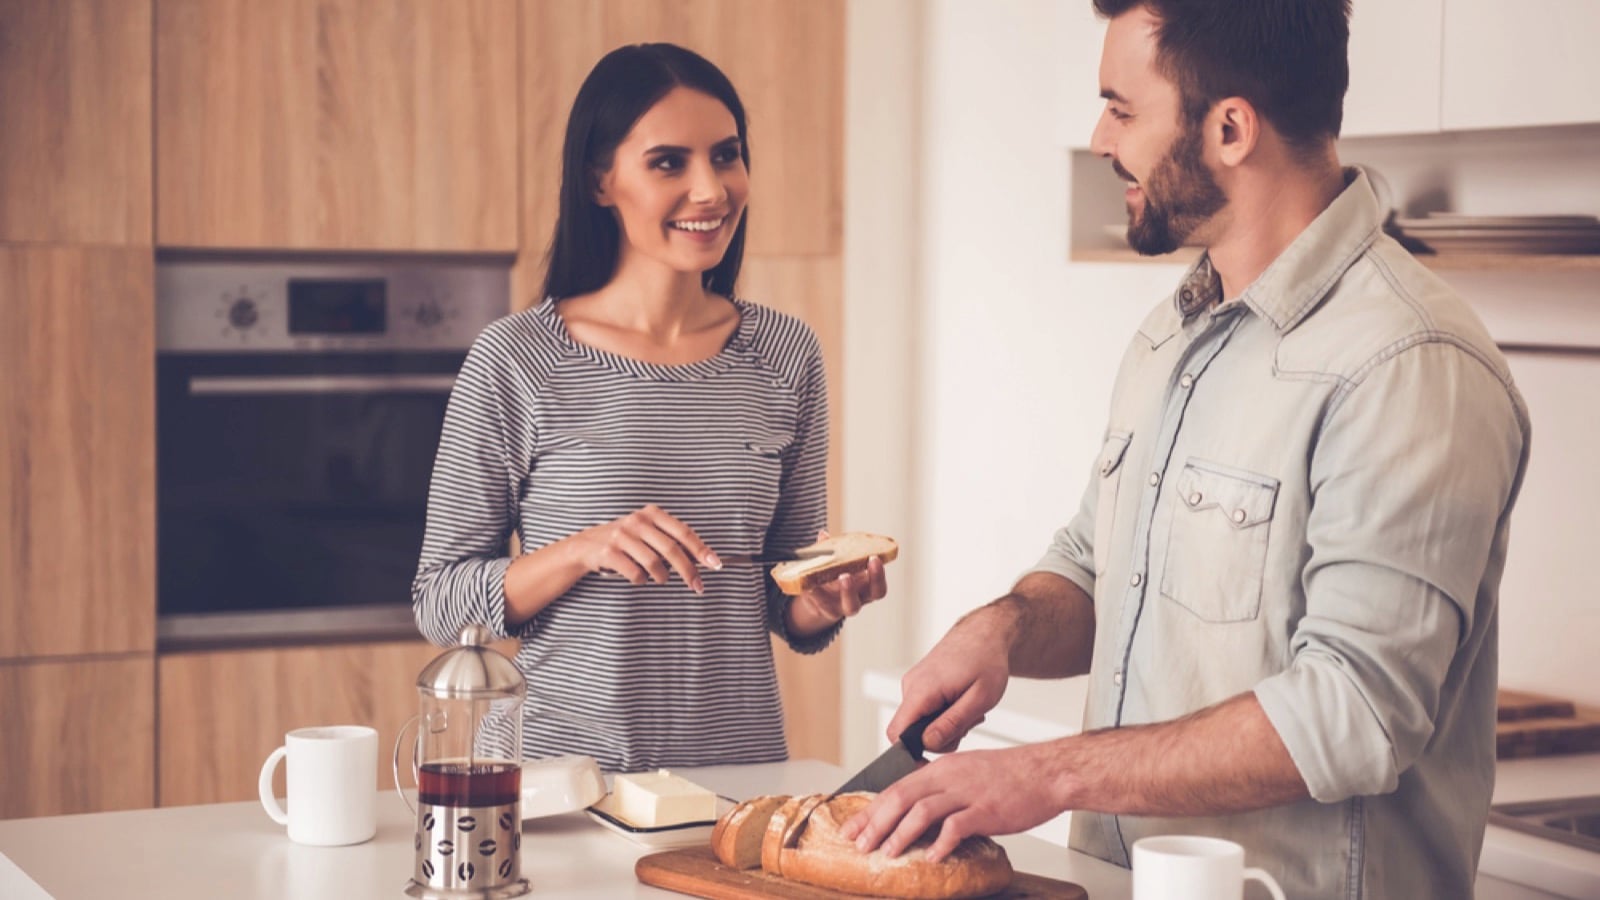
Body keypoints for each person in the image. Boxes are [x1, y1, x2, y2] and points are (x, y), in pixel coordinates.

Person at [843, 2, 1529, 897]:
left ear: (1230, 129)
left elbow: (1355, 711)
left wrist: (1047, 774)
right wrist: (1002, 630)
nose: (1100, 139)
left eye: (1122, 109)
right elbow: (1100, 569)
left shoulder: (1408, 364)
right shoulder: (1174, 334)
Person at [412, 43, 887, 772]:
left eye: (726, 156)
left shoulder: (786, 354)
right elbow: (440, 602)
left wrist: (819, 604)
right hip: (563, 785)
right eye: (669, 163)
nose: (711, 190)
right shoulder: (518, 358)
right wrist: (580, 551)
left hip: (737, 780)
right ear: (600, 181)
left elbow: (783, 588)